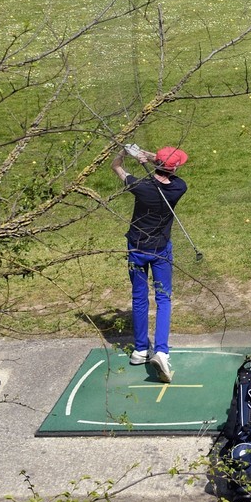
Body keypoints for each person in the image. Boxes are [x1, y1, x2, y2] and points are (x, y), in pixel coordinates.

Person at [112, 144, 189, 383]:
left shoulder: (140, 186)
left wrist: (126, 152)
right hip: (160, 250)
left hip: (136, 248)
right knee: (163, 298)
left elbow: (116, 166)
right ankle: (162, 351)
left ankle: (140, 350)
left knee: (139, 296)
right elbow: (168, 167)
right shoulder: (179, 187)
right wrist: (152, 157)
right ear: (173, 169)